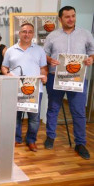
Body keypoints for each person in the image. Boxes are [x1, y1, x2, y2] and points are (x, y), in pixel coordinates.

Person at [44, 6, 94, 159]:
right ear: (60, 19)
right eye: (67, 17)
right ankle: (50, 137)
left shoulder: (86, 34)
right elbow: (44, 54)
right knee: (53, 108)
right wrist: (49, 59)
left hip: (77, 79)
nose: (71, 19)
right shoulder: (52, 36)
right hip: (55, 77)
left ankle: (80, 143)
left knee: (79, 112)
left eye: (73, 16)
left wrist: (91, 59)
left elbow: (92, 52)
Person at [1, 23, 47, 152]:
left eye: (30, 31)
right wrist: (6, 73)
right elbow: (4, 67)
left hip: (35, 90)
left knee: (34, 119)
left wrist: (44, 76)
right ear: (19, 33)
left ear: (33, 34)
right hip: (15, 89)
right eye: (24, 31)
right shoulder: (11, 50)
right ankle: (16, 138)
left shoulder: (39, 50)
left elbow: (43, 68)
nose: (27, 34)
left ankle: (31, 140)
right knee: (15, 116)